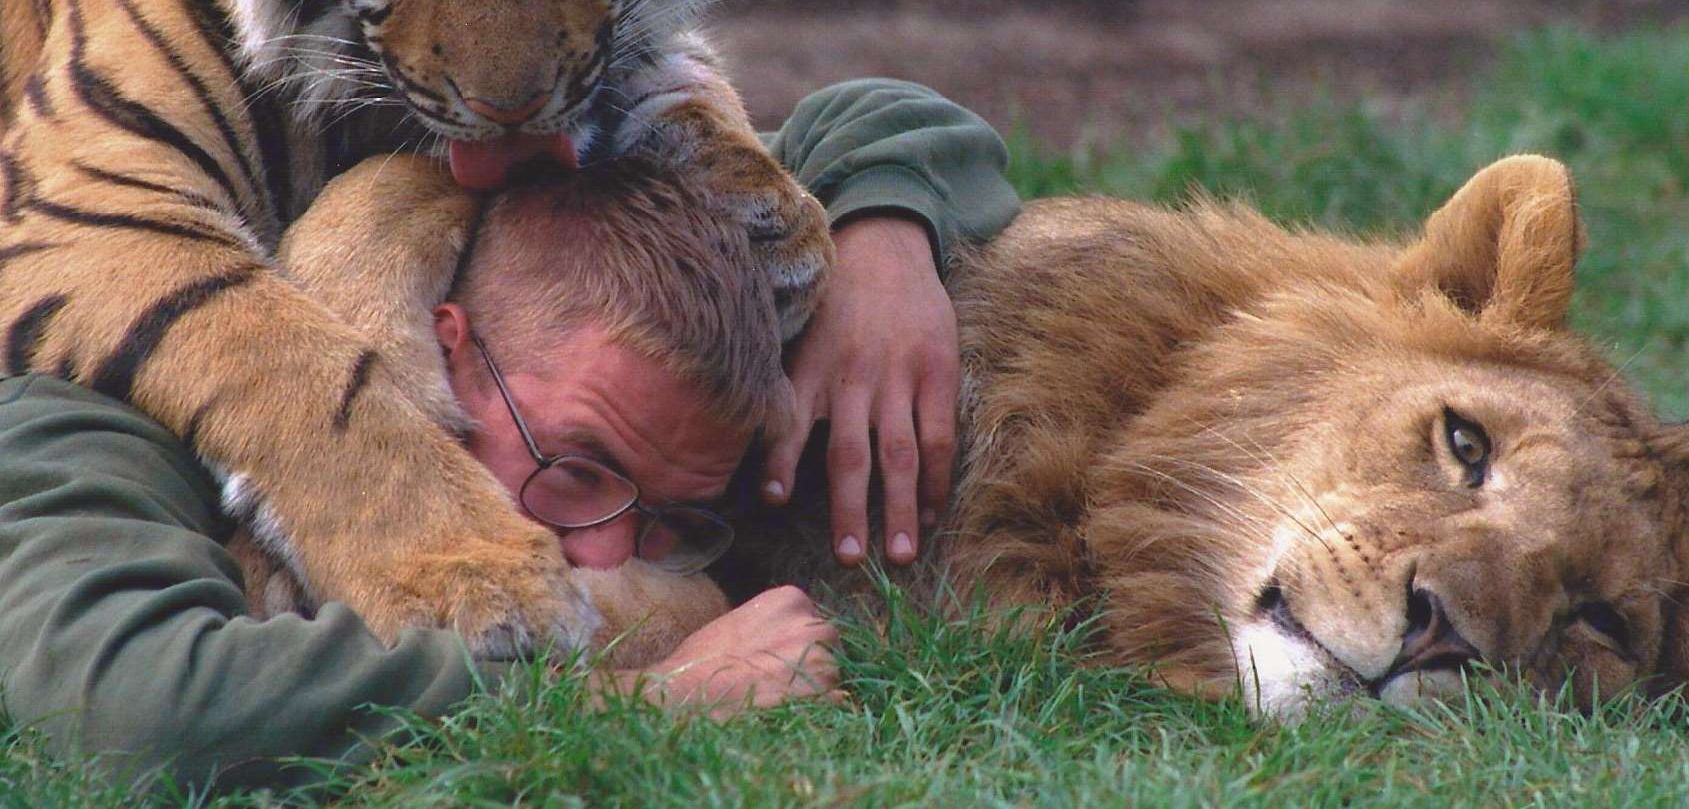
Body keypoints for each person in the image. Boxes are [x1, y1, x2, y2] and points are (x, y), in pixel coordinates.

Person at [0, 79, 1021, 794]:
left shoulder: (654, 350)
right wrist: (643, 698)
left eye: (671, 522)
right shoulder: (115, 380)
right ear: (439, 342)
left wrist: (881, 235)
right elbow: (135, 710)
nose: (606, 558)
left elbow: (883, 115)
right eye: (579, 469)